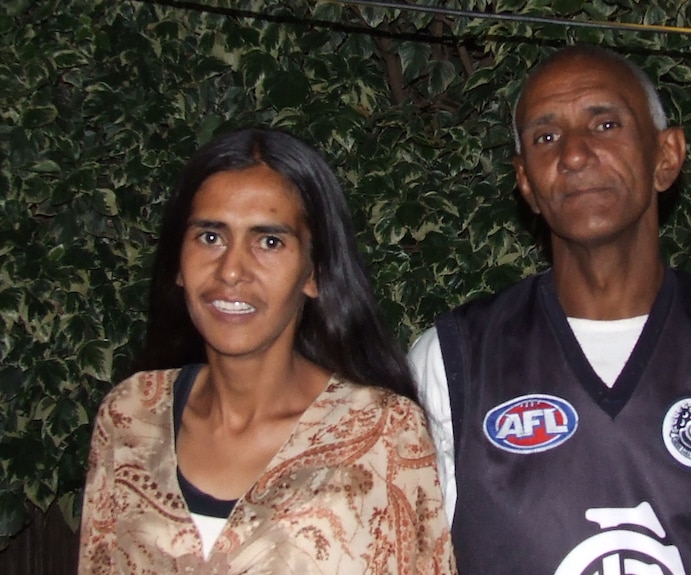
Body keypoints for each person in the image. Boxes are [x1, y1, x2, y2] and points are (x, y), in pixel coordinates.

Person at [409, 45, 691, 574]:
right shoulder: (454, 362)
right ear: (525, 181)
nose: (572, 155)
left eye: (606, 124)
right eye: (545, 137)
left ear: (666, 156)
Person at [79, 127, 456, 574]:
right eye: (210, 237)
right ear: (177, 264)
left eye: (269, 242)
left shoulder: (381, 433)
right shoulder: (129, 416)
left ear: (313, 273)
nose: (232, 270)